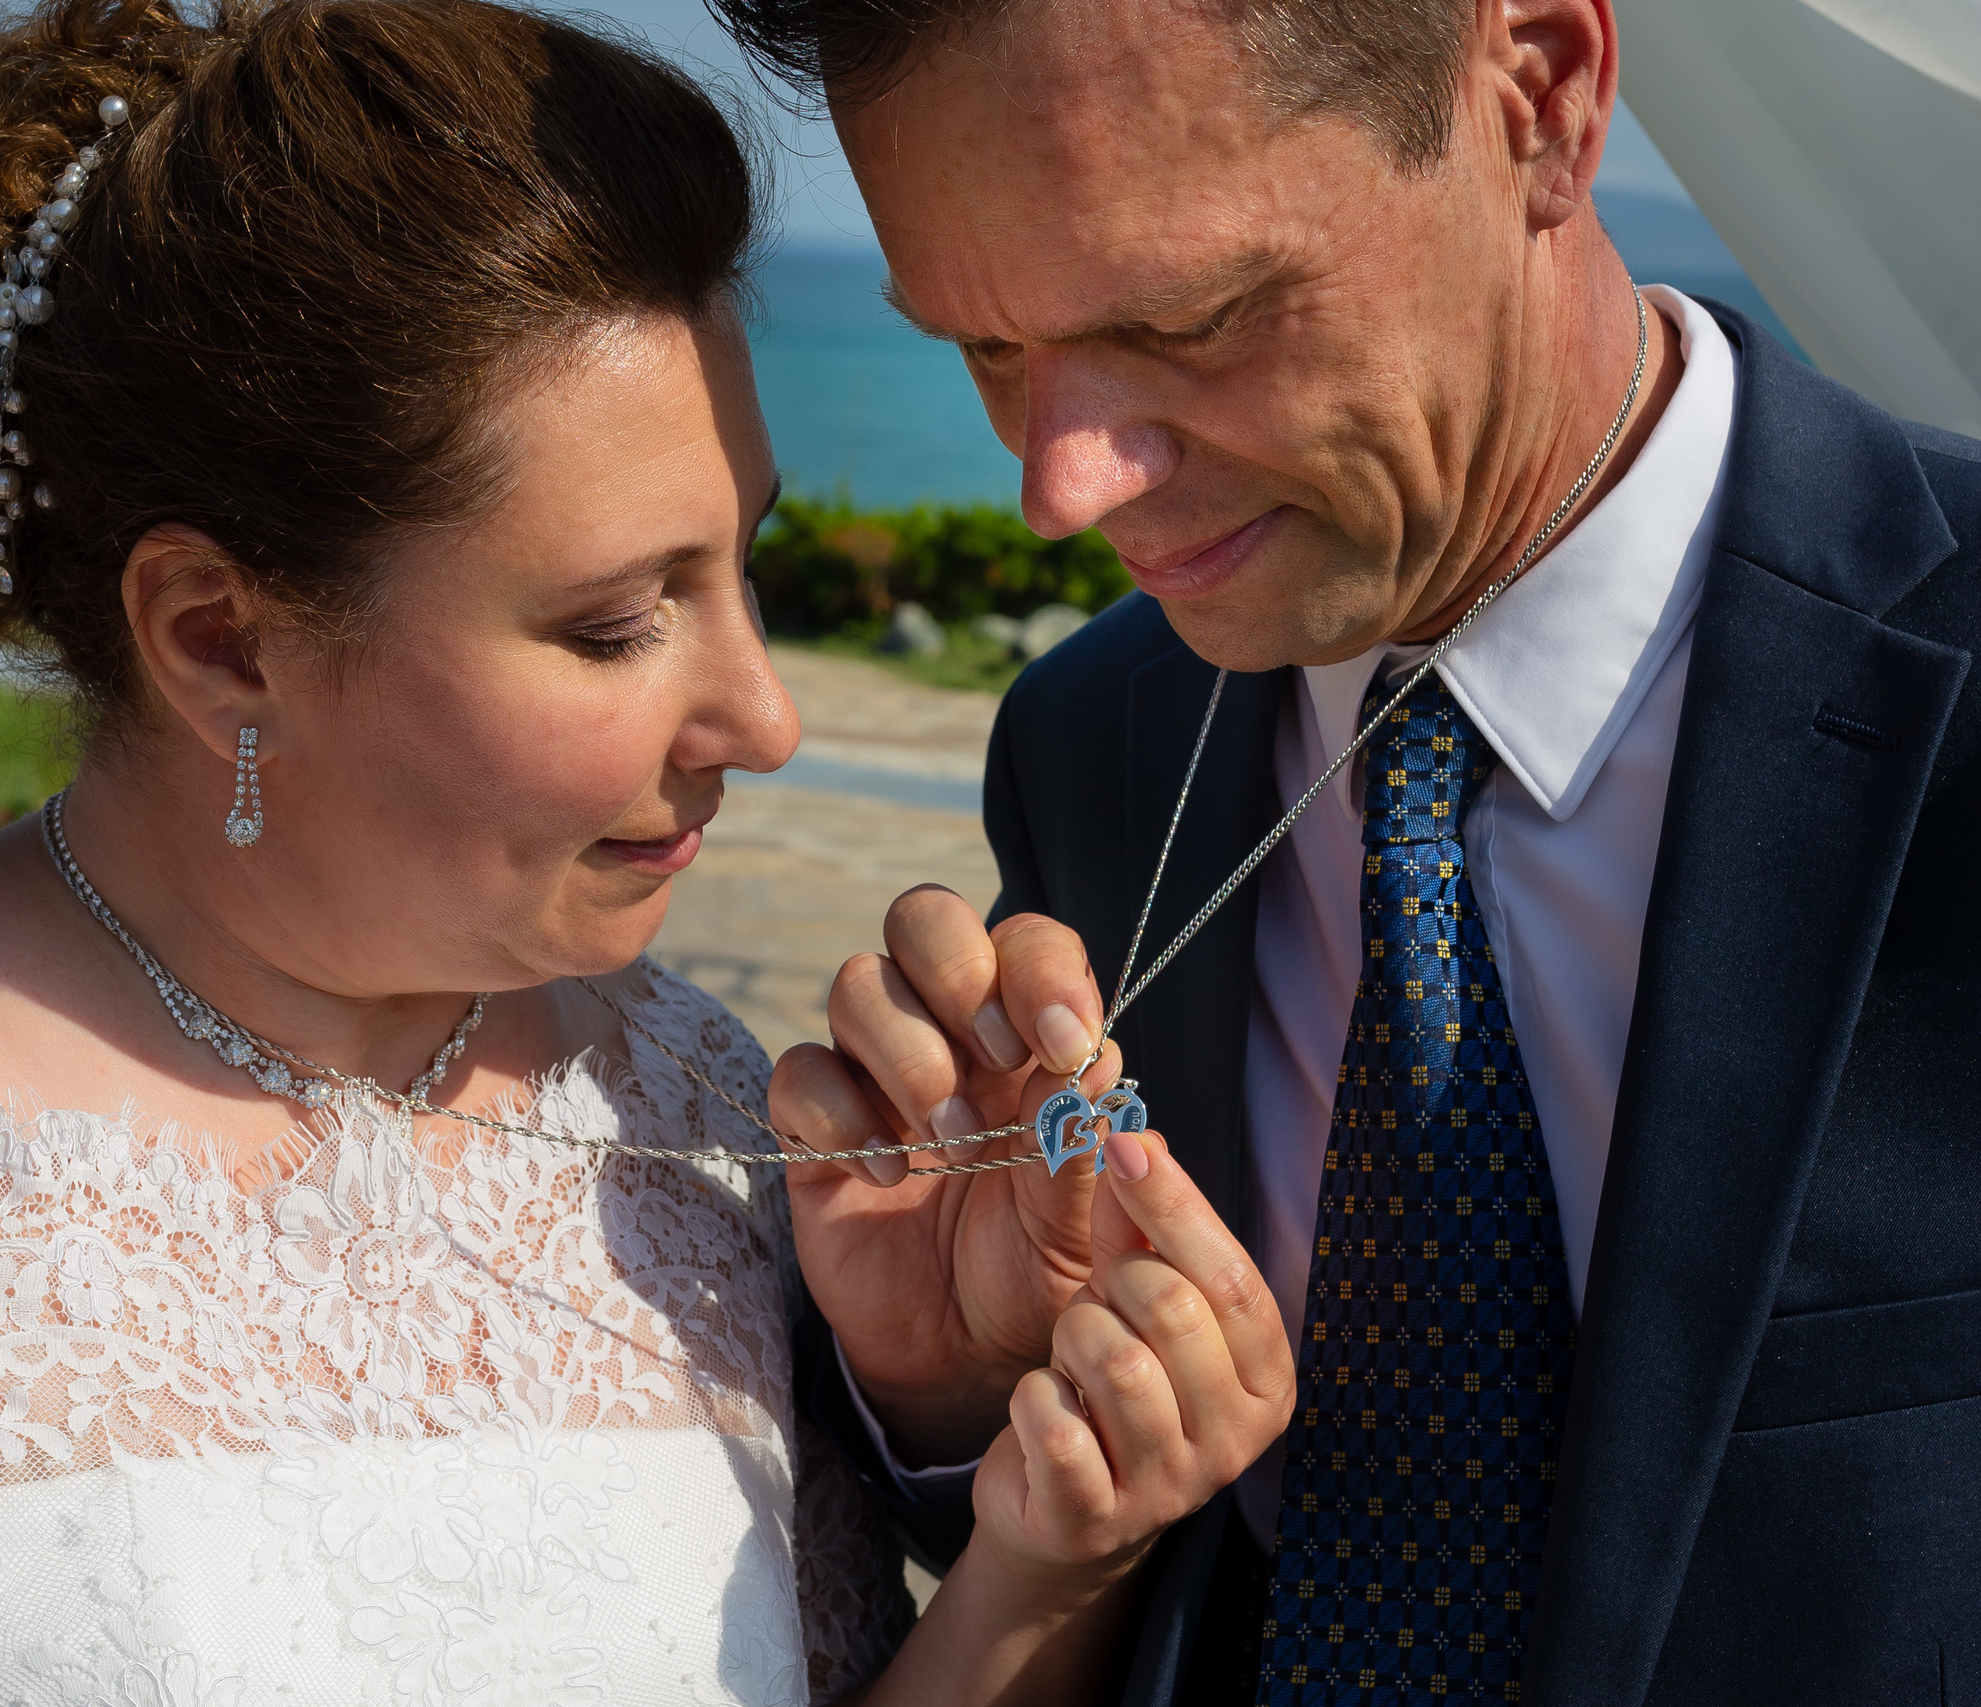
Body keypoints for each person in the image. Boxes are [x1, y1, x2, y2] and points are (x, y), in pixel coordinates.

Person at [0, 2, 1297, 1703]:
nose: (762, 715)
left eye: (749, 566)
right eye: (616, 624)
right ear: (221, 639)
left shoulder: (697, 1123)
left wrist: (1051, 1556)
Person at [701, 0, 1981, 1700]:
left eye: (1187, 318)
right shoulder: (1090, 741)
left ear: (1542, 98)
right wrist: (960, 1382)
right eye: (985, 351)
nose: (1060, 487)